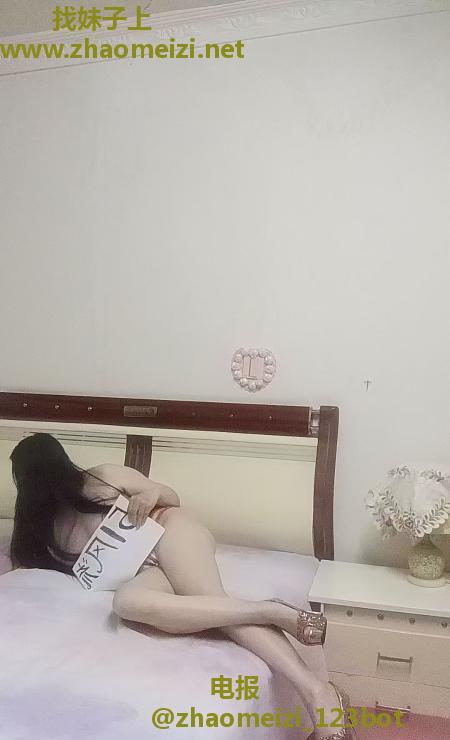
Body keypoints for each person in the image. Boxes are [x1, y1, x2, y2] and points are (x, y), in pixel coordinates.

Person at [9, 432, 355, 740]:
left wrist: (150, 493)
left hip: (167, 532)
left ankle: (318, 694)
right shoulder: (41, 531)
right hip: (143, 572)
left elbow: (171, 496)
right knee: (127, 604)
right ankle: (267, 610)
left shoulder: (102, 477)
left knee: (212, 602)